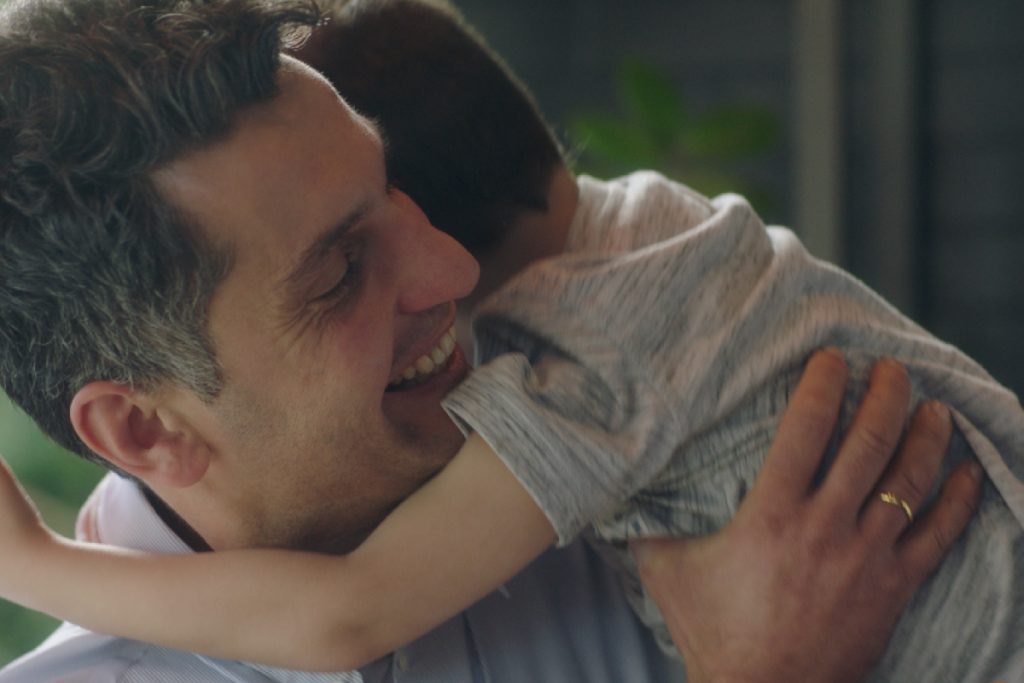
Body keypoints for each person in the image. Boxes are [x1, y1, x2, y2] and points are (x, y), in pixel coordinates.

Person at [0, 0, 978, 682]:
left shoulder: (575, 442)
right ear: (143, 427)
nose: (454, 271)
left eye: (397, 193)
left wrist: (32, 561)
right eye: (340, 273)